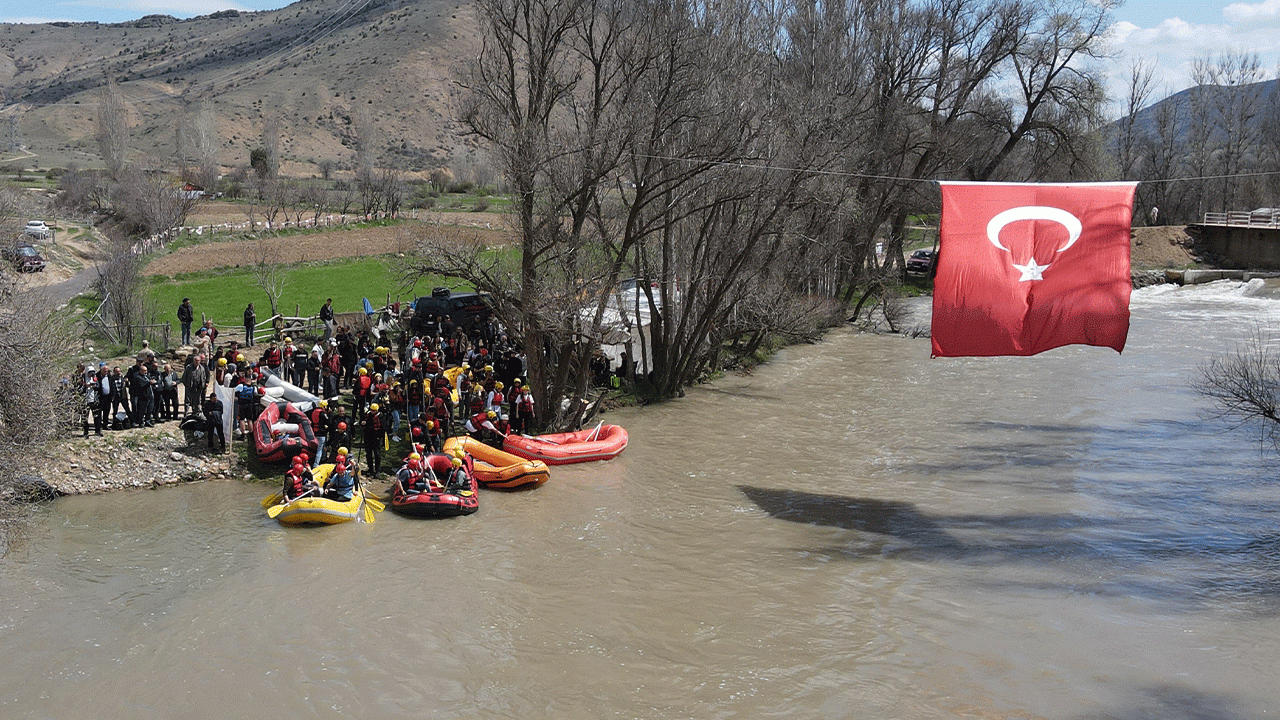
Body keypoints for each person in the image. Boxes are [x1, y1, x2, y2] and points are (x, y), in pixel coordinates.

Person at [362, 402, 386, 476]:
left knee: (377, 454)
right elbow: (362, 421)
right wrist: (362, 423)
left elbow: (384, 427)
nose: (372, 412)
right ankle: (370, 469)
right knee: (368, 454)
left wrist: (380, 437)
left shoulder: (381, 416)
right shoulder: (367, 415)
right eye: (372, 410)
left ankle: (377, 470)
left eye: (374, 411)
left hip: (377, 438)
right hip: (368, 437)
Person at [308, 400, 330, 468]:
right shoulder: (323, 413)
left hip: (315, 432)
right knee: (319, 449)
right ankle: (316, 464)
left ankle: (323, 459)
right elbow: (327, 421)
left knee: (322, 447)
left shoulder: (313, 411)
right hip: (321, 433)